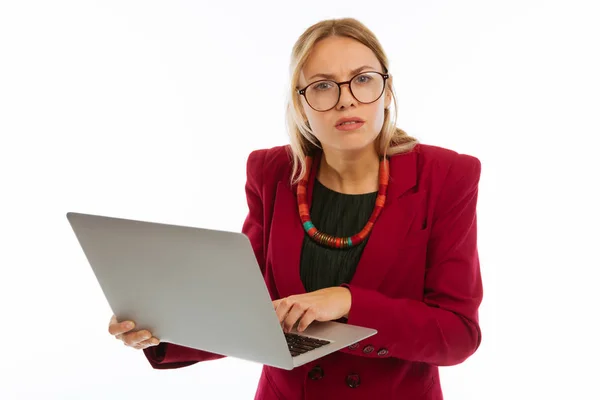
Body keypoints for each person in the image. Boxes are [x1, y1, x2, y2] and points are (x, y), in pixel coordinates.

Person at [108, 17, 483, 400]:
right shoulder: (272, 174)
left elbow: (457, 334)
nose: (346, 98)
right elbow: (250, 308)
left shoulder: (447, 176)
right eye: (322, 86)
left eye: (364, 79)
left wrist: (348, 302)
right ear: (300, 103)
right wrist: (161, 326)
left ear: (387, 90)